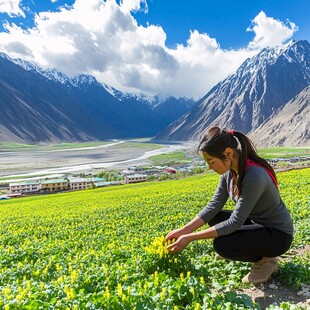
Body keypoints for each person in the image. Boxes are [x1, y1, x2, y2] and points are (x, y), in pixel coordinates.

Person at [165, 127, 293, 285]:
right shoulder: (230, 172)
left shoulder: (254, 176)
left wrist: (190, 238)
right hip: (255, 224)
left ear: (228, 153)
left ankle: (266, 261)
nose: (209, 168)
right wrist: (184, 230)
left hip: (277, 236)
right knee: (216, 217)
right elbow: (213, 206)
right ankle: (252, 247)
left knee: (223, 245)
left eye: (211, 162)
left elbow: (235, 222)